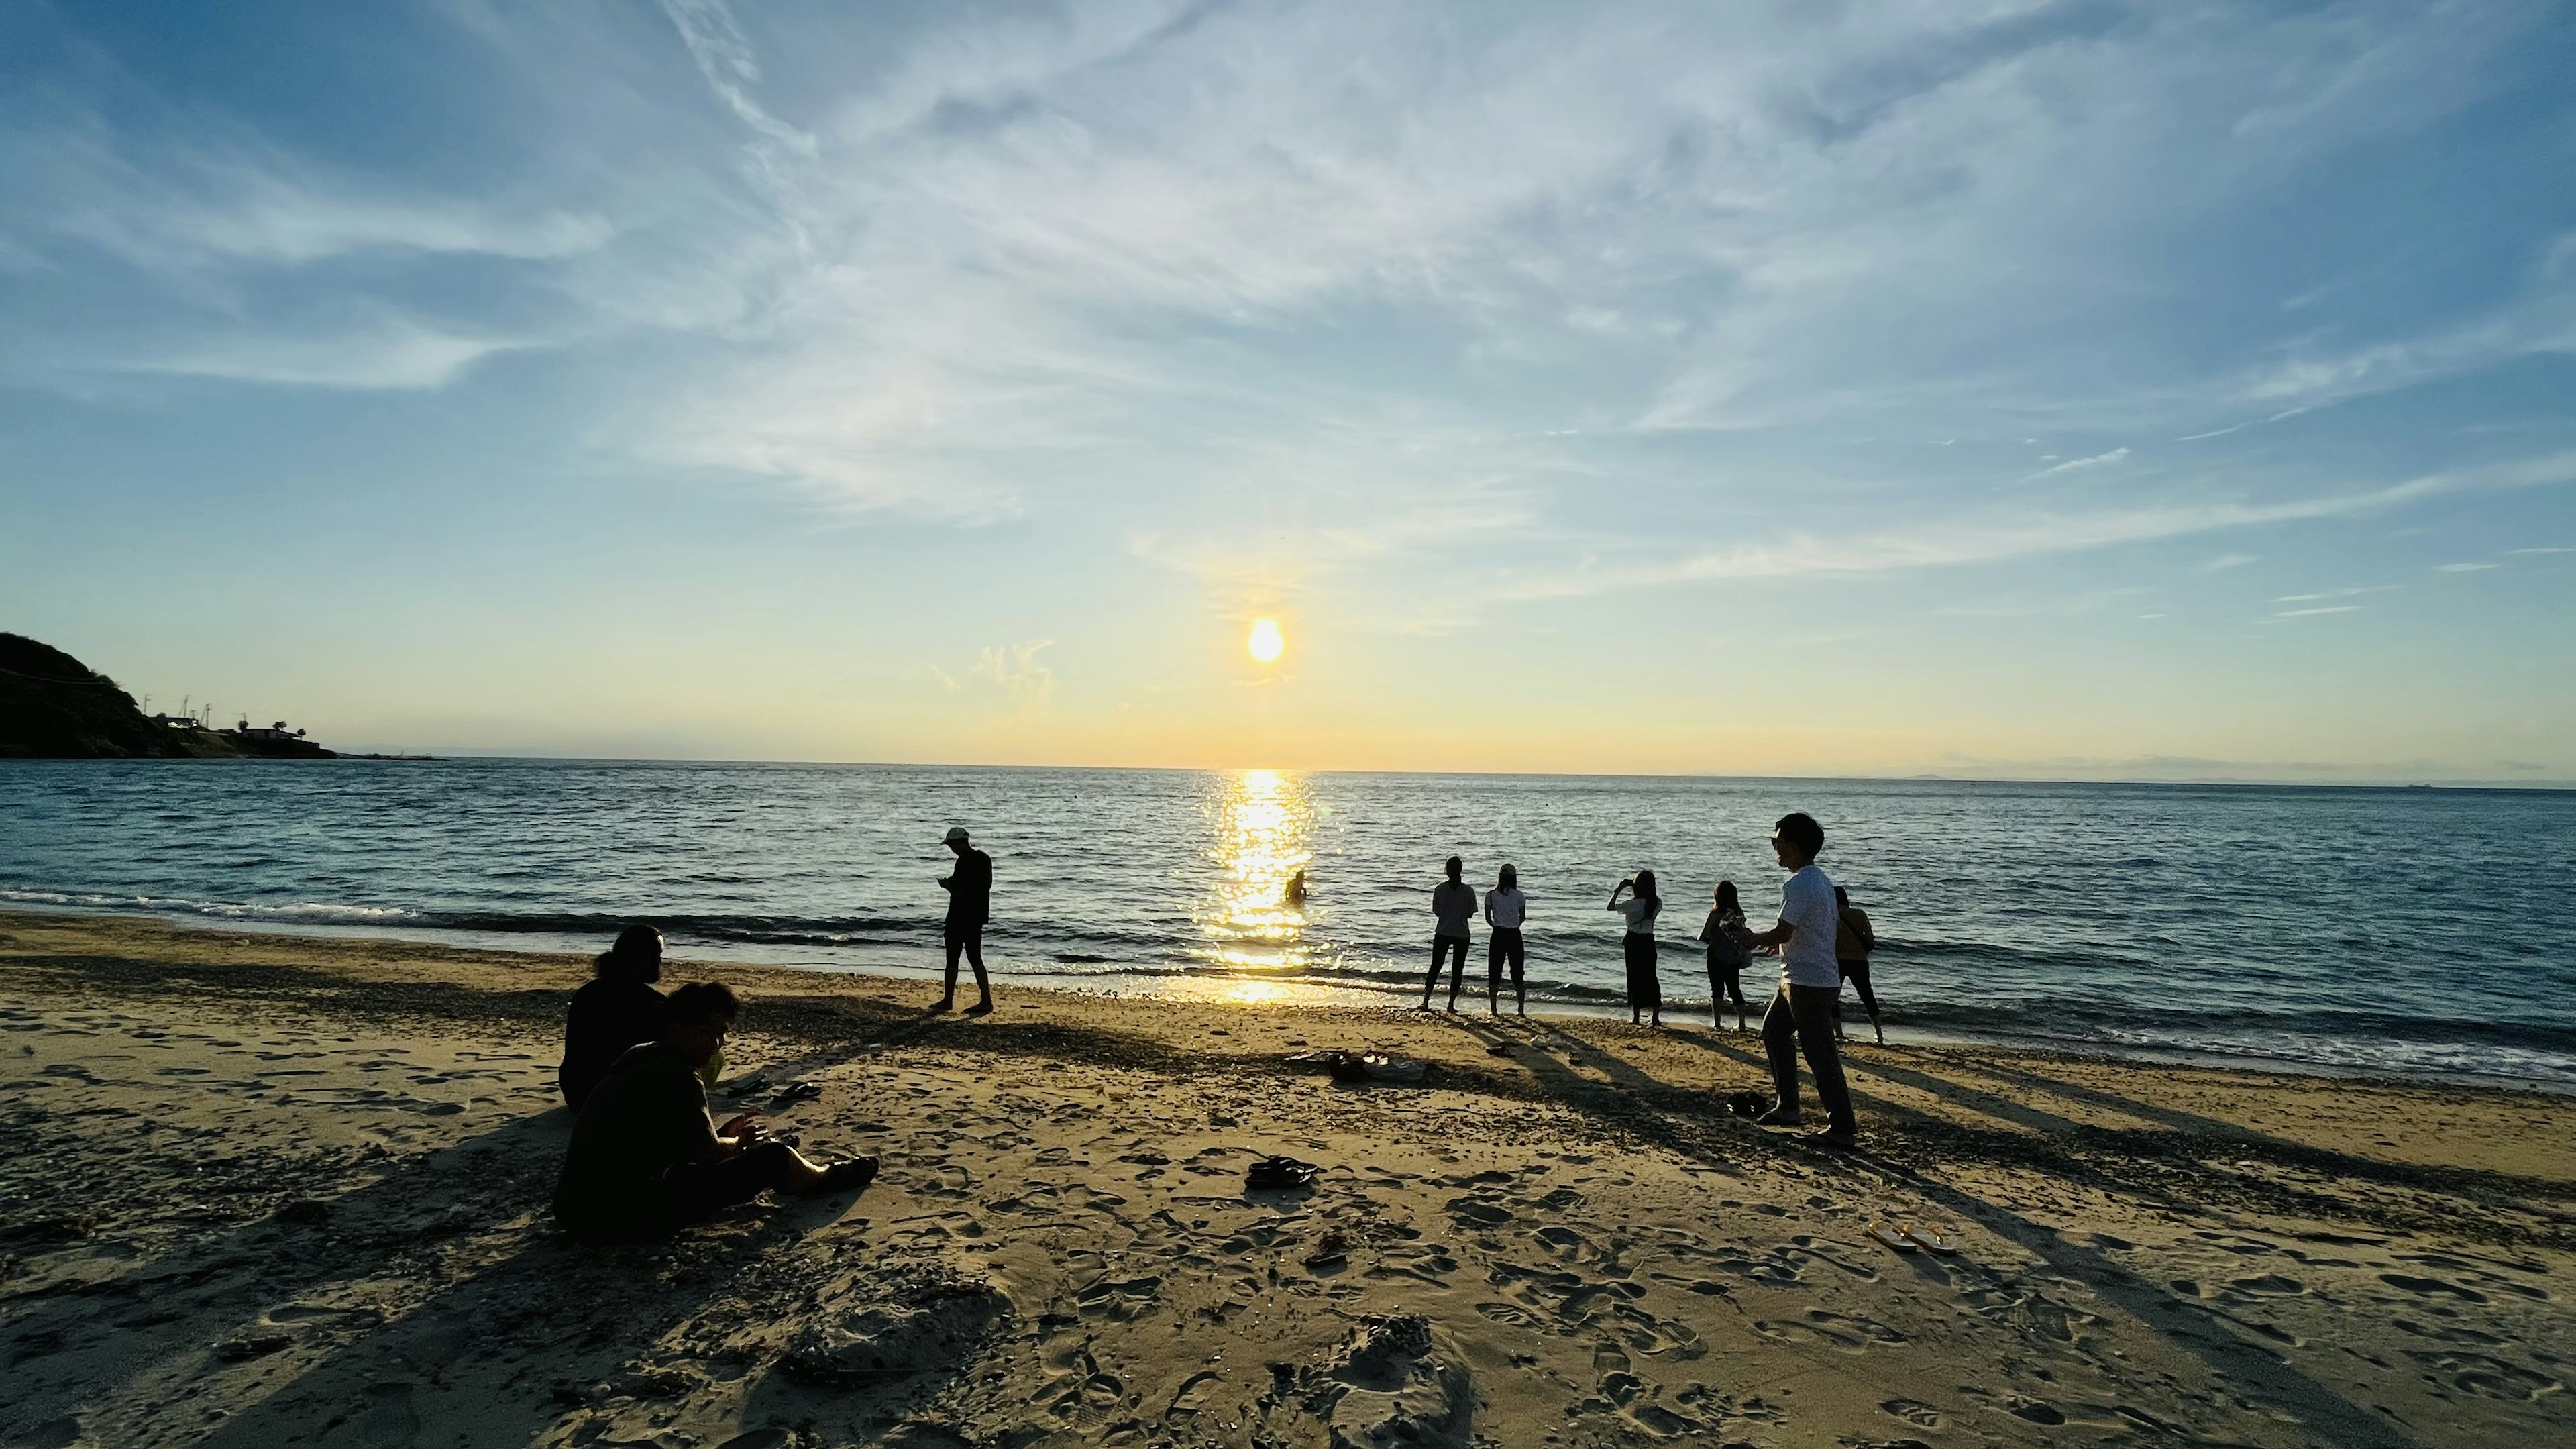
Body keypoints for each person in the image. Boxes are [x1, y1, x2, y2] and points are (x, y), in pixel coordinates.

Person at [552, 982, 877, 1244]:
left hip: (574, 1210)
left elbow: (670, 1139)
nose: (718, 1043)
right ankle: (824, 1177)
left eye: (723, 1033)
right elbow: (705, 1152)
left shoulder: (639, 1056)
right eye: (709, 1032)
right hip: (624, 1217)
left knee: (725, 1155)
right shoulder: (678, 1073)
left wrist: (723, 1135)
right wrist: (739, 1144)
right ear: (678, 1027)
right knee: (774, 1156)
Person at [1729, 812, 1858, 1147]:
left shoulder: (1799, 883)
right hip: (1800, 977)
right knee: (1774, 1032)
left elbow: (1786, 929)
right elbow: (1805, 930)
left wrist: (1752, 938)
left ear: (1796, 845)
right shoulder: (1820, 881)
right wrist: (1779, 942)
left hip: (1809, 983)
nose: (1776, 849)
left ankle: (1842, 1127)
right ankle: (1788, 1107)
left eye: (1779, 842)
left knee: (1820, 1054)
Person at [559, 925, 667, 1111]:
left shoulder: (587, 993)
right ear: (645, 958)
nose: (660, 961)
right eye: (658, 955)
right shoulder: (652, 1003)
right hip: (618, 1096)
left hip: (577, 1092)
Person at [934, 825, 995, 1015]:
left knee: (953, 958)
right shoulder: (984, 859)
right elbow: (984, 887)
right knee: (975, 957)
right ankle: (986, 1000)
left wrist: (947, 885)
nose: (951, 849)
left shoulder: (963, 862)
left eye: (952, 845)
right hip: (977, 916)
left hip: (959, 915)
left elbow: (960, 890)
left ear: (960, 842)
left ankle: (948, 1000)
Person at [1607, 869, 1662, 1026]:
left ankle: (1637, 1017)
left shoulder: (1631, 904)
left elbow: (1610, 907)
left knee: (1634, 977)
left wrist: (1619, 889)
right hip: (1648, 941)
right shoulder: (1656, 903)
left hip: (1634, 940)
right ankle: (1655, 1017)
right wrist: (1636, 884)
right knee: (1651, 977)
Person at [1421, 855, 1476, 1012]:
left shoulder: (1440, 889)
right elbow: (1470, 913)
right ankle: (1451, 1004)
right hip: (1461, 933)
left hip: (1443, 931)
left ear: (1447, 871)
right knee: (1457, 969)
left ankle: (1426, 1001)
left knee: (1435, 967)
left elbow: (1437, 912)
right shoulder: (1468, 891)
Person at [1697, 881, 1752, 1032]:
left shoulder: (1715, 914)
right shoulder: (1739, 914)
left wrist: (1713, 938)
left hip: (1716, 955)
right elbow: (1742, 934)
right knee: (1735, 989)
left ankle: (1717, 1023)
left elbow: (1703, 935)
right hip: (1734, 956)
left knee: (1717, 990)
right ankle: (1742, 1023)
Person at [1834, 885, 1883, 1046]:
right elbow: (1869, 939)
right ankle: (1878, 1033)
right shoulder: (1859, 914)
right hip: (1859, 961)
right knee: (1867, 995)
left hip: (1838, 960)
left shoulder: (1831, 916)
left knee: (1834, 997)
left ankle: (1839, 1033)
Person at [1483, 863, 1529, 1017]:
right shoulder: (1519, 895)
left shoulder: (1490, 895)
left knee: (1494, 970)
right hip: (1514, 934)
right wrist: (1514, 924)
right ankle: (1521, 1010)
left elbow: (1488, 918)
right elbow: (1522, 917)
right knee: (1518, 972)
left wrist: (1497, 924)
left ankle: (1494, 1009)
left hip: (1498, 934)